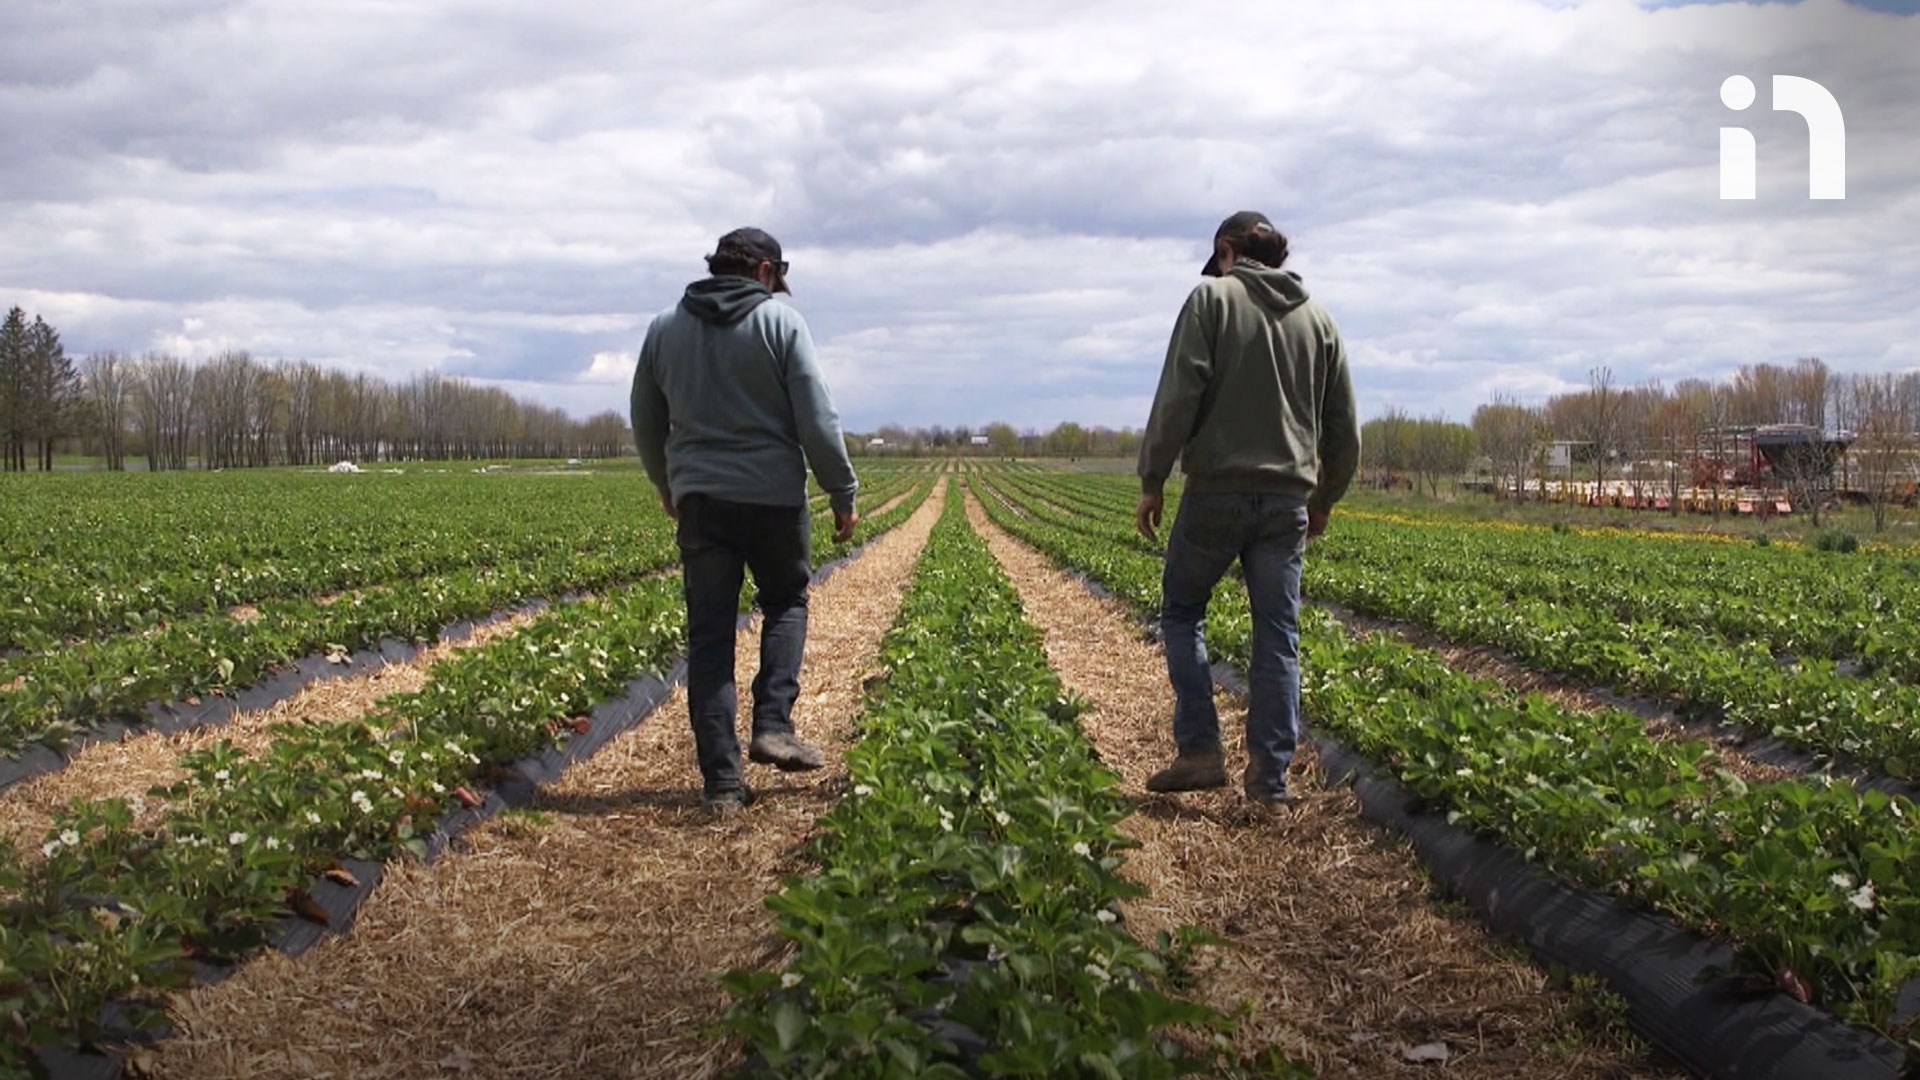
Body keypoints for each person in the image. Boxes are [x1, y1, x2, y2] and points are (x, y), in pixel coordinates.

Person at [1134, 211, 1360, 807]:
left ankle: (1201, 749)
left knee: (1183, 611)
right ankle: (1270, 784)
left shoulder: (1212, 300)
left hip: (1215, 492)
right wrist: (1325, 499)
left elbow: (1179, 394)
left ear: (1228, 251)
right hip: (1287, 501)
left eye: (1220, 260)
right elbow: (1344, 431)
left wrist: (1152, 477)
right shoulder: (1320, 321)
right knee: (1278, 635)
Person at [631, 227, 859, 815]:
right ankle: (773, 724)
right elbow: (816, 413)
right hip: (772, 499)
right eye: (776, 282)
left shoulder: (664, 329)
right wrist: (841, 490)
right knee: (785, 601)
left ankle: (723, 785)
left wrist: (667, 483)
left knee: (709, 638)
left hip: (701, 501)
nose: (777, 292)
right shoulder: (781, 326)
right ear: (763, 271)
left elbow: (645, 419)